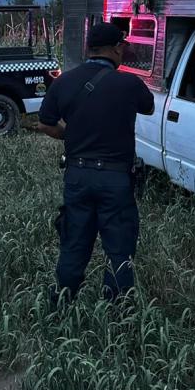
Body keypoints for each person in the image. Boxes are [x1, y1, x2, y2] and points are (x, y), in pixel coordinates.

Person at [37, 22, 154, 303]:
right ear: (115, 48)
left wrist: (71, 135)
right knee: (119, 249)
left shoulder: (63, 82)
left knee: (74, 244)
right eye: (122, 47)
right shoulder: (128, 83)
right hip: (116, 180)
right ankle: (117, 314)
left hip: (77, 176)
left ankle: (62, 305)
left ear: (90, 48)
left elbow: (45, 123)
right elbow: (148, 106)